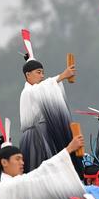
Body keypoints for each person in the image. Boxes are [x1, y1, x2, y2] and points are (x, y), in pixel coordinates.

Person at [18, 29, 76, 171]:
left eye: (43, 73)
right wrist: (61, 76)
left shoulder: (38, 88)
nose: (42, 76)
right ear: (28, 75)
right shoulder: (28, 92)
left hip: (44, 132)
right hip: (35, 137)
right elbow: (43, 89)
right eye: (38, 73)